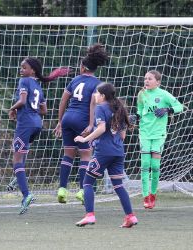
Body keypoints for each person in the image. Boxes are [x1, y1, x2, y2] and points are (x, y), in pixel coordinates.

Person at [74, 82, 138, 228]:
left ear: (102, 96)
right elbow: (122, 136)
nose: (94, 96)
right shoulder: (119, 108)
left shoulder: (101, 108)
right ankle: (130, 216)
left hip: (103, 152)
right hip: (118, 152)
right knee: (118, 185)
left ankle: (89, 215)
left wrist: (85, 139)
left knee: (87, 182)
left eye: (96, 93)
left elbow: (102, 128)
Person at [9, 57, 67, 214]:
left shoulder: (24, 81)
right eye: (21, 67)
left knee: (17, 160)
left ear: (32, 70)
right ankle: (17, 178)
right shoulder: (38, 86)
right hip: (37, 124)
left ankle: (26, 194)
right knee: (21, 153)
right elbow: (44, 111)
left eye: (24, 67)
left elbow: (21, 101)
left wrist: (12, 108)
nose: (21, 70)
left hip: (25, 124)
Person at [53, 43, 108, 204]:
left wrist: (59, 121)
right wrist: (92, 124)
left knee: (68, 154)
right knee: (86, 156)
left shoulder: (75, 80)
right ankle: (83, 190)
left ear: (83, 67)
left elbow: (64, 99)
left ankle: (62, 189)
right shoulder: (98, 84)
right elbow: (94, 104)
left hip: (68, 118)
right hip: (83, 120)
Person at [135, 70, 183, 209]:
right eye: (145, 78)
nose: (146, 81)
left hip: (159, 134)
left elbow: (179, 106)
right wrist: (135, 117)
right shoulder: (141, 94)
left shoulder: (163, 94)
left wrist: (167, 110)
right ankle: (145, 196)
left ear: (158, 82)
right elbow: (140, 110)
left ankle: (153, 195)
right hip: (144, 133)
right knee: (145, 165)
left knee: (155, 166)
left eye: (150, 79)